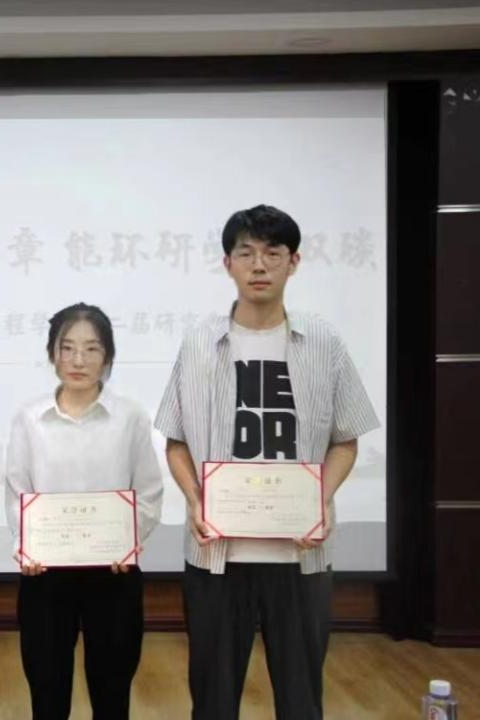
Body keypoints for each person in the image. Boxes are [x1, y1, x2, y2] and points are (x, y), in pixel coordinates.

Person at [155, 205, 380, 719]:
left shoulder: (323, 342)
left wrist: (320, 499)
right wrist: (195, 500)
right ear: (227, 264)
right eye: (246, 253)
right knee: (213, 700)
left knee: (301, 701)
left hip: (301, 556)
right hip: (216, 554)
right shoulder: (199, 342)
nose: (259, 265)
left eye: (273, 253)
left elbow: (345, 440)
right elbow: (176, 441)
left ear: (293, 262)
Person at [5, 302, 163, 719]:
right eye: (67, 348)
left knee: (112, 694)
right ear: (52, 353)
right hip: (44, 576)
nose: (78, 360)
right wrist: (27, 546)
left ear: (107, 356)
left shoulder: (130, 417)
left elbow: (148, 491)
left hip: (113, 575)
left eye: (92, 349)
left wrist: (128, 542)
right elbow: (18, 492)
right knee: (47, 693)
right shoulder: (29, 418)